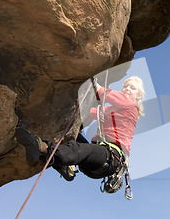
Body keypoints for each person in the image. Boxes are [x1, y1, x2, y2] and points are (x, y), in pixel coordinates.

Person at [15, 76, 145, 193]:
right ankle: (67, 167)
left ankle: (41, 147)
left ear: (138, 95)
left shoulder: (130, 106)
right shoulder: (111, 110)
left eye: (132, 88)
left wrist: (92, 77)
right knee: (72, 135)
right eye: (125, 86)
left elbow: (102, 92)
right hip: (97, 162)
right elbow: (89, 113)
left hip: (110, 156)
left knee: (77, 149)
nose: (127, 89)